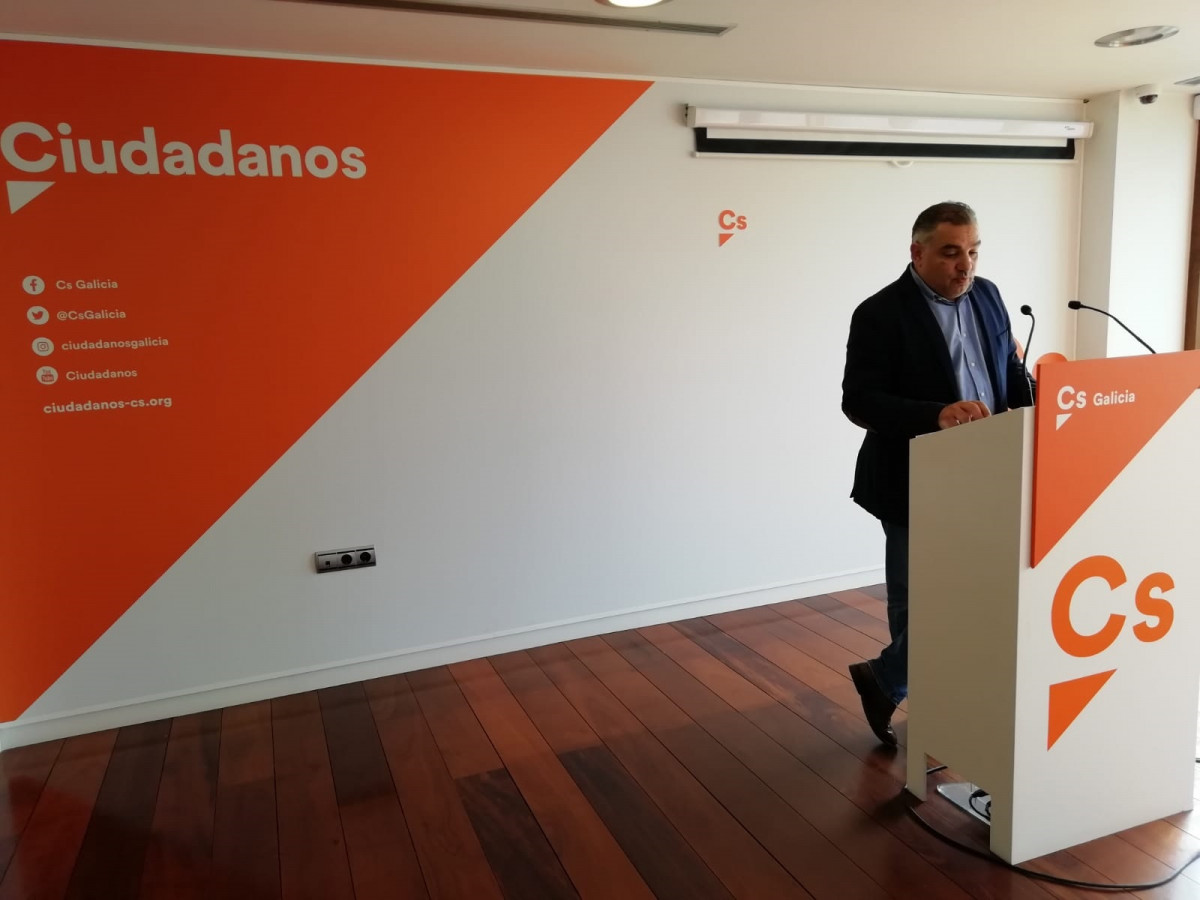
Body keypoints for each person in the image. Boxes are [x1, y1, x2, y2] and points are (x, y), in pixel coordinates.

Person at [841, 201, 1034, 747]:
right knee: (916, 598)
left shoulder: (989, 295)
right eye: (951, 253)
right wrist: (935, 414)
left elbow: (1008, 372)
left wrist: (1040, 407)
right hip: (913, 477)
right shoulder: (880, 313)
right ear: (917, 252)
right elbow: (859, 401)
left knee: (980, 590)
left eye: (973, 251)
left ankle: (887, 680)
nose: (965, 265)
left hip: (988, 471)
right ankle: (924, 705)